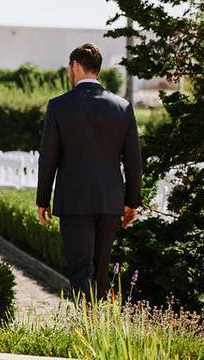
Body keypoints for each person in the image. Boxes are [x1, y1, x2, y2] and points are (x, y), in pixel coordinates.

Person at [36, 42, 142, 301]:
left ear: (75, 66)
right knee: (101, 271)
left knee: (81, 270)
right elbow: (134, 162)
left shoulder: (59, 106)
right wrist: (131, 203)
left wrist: (42, 200)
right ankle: (97, 330)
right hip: (110, 201)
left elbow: (48, 158)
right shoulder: (122, 107)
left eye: (68, 69)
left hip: (74, 201)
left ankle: (86, 329)